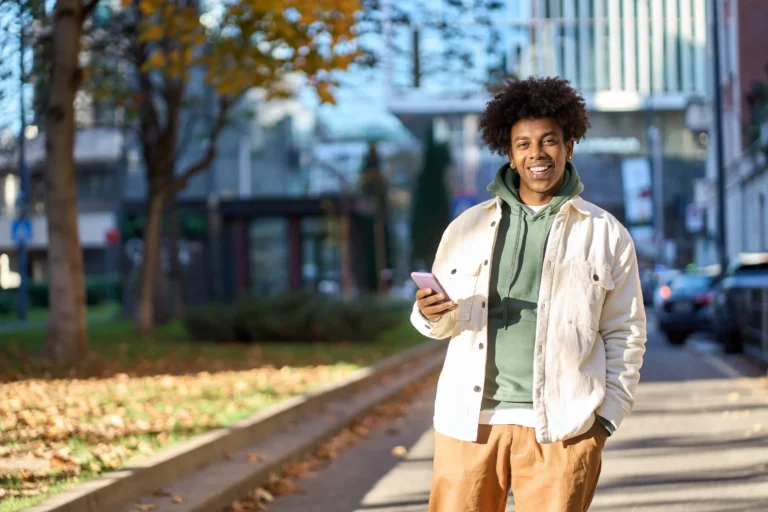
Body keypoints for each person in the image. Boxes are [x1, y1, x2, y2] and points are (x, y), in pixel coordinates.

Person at [411, 77, 647, 512]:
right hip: (468, 424)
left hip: (562, 429)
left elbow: (625, 332)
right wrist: (429, 311)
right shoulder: (465, 228)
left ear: (569, 147)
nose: (537, 153)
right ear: (510, 153)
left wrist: (604, 420)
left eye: (549, 141)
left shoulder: (604, 233)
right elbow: (440, 321)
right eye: (524, 144)